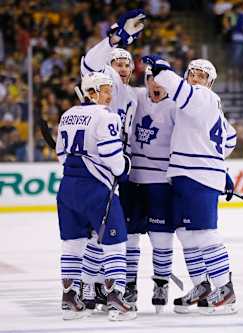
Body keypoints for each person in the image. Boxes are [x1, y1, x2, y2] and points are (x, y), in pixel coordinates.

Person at [142, 55, 238, 315]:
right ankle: (202, 286)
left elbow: (180, 90)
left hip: (199, 175)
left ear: (210, 83)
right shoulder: (200, 104)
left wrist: (162, 70)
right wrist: (221, 166)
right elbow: (229, 139)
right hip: (189, 174)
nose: (195, 78)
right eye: (192, 73)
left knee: (205, 232)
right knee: (187, 233)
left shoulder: (203, 97)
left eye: (201, 75)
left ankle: (225, 289)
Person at [55, 72, 135, 321]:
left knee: (72, 244)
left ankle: (70, 299)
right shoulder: (106, 116)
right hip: (97, 189)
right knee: (115, 243)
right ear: (91, 91)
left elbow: (61, 155)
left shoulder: (67, 115)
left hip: (67, 188)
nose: (110, 94)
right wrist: (124, 166)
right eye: (105, 89)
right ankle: (115, 299)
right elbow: (115, 161)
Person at [78, 9, 144, 310]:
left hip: (117, 166)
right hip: (95, 165)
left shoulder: (132, 95)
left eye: (126, 64)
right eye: (118, 63)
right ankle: (89, 286)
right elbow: (89, 62)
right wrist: (115, 40)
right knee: (96, 229)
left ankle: (98, 285)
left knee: (109, 229)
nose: (123, 68)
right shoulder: (104, 83)